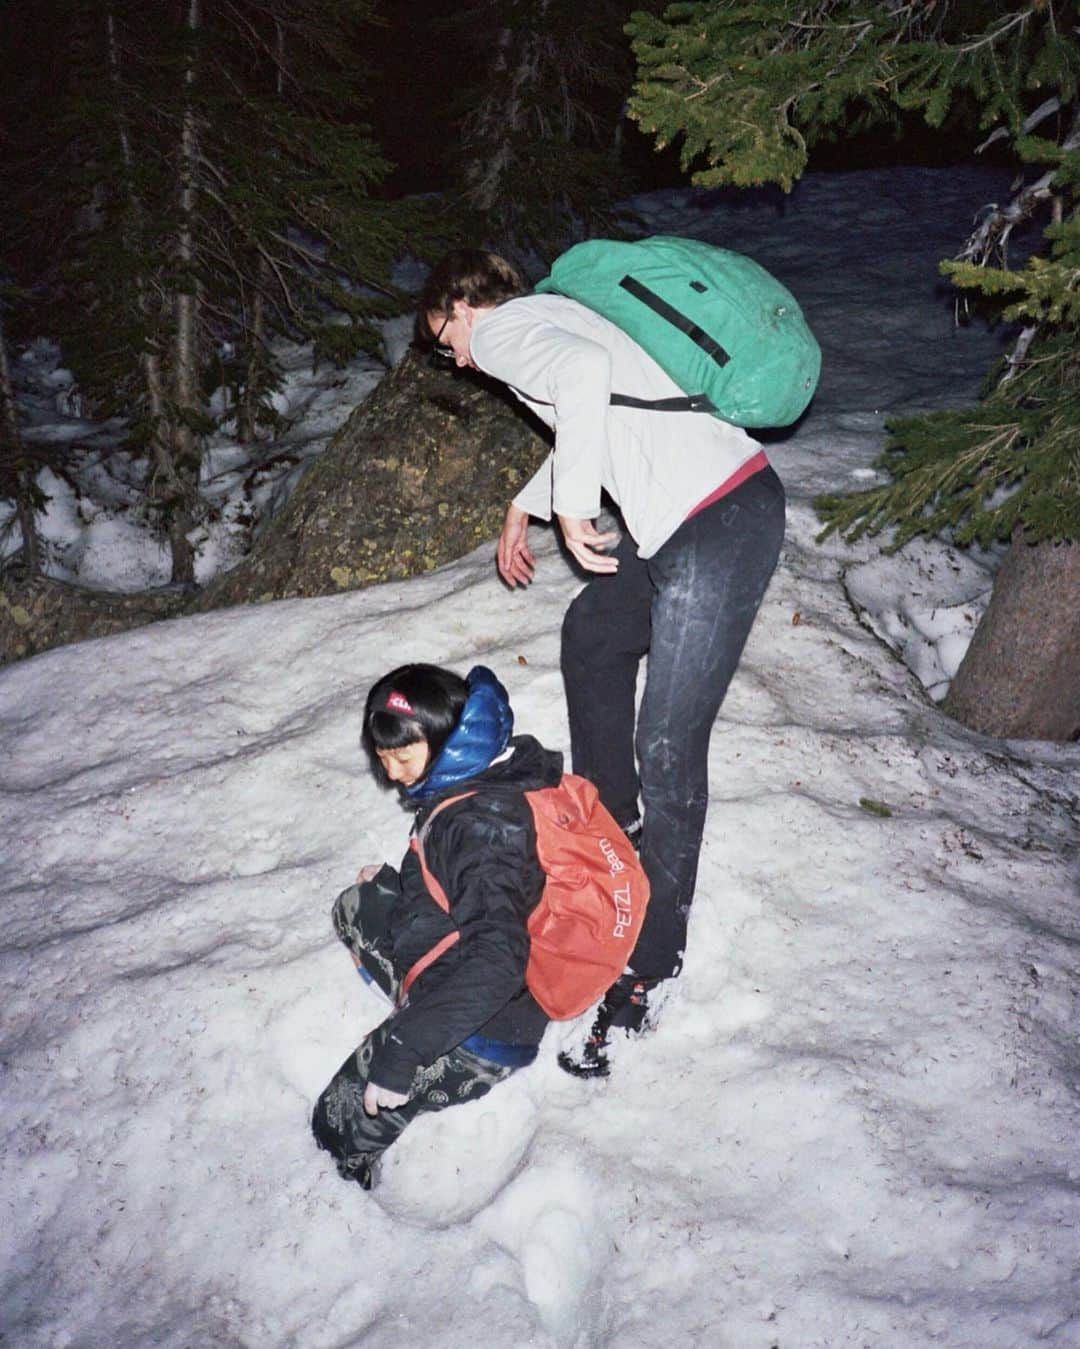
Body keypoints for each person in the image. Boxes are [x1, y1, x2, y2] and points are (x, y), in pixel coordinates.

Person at [417, 248, 786, 1074]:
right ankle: (615, 825)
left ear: (463, 307)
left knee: (669, 741)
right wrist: (528, 500)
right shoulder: (548, 317)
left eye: (445, 338)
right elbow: (600, 406)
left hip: (712, 525)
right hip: (714, 509)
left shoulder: (508, 331)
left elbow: (581, 378)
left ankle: (652, 959)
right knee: (594, 633)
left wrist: (573, 506)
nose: (452, 356)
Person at [312, 662, 561, 1190]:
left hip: (487, 1029)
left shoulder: (482, 827)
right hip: (454, 957)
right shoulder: (474, 776)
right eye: (383, 758)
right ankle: (420, 1012)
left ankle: (424, 1039)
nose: (393, 774)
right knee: (355, 905)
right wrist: (404, 881)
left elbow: (497, 958)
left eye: (403, 757)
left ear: (448, 740)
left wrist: (405, 1049)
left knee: (335, 1126)